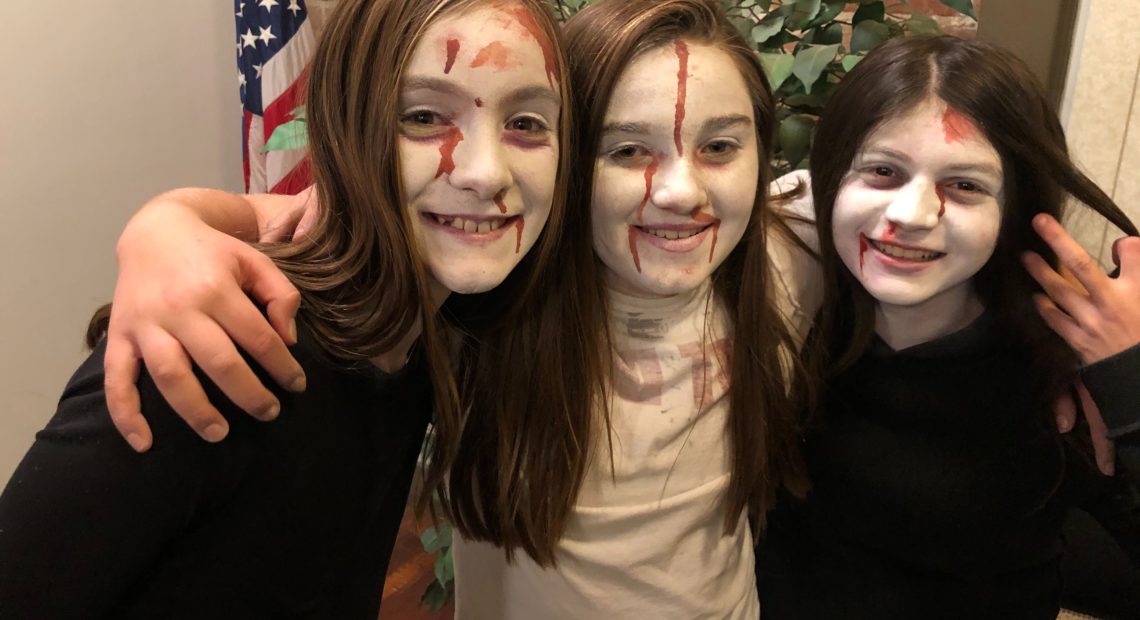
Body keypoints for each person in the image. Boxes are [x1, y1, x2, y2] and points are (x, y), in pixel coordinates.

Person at [0, 0, 576, 617]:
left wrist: (180, 212)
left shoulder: (427, 336)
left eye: (527, 123)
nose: (486, 173)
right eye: (426, 116)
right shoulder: (217, 351)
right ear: (348, 131)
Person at [754, 34, 1140, 618]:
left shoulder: (1062, 375)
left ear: (1013, 208)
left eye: (965, 186)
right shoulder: (790, 314)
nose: (910, 215)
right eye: (883, 171)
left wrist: (1131, 382)